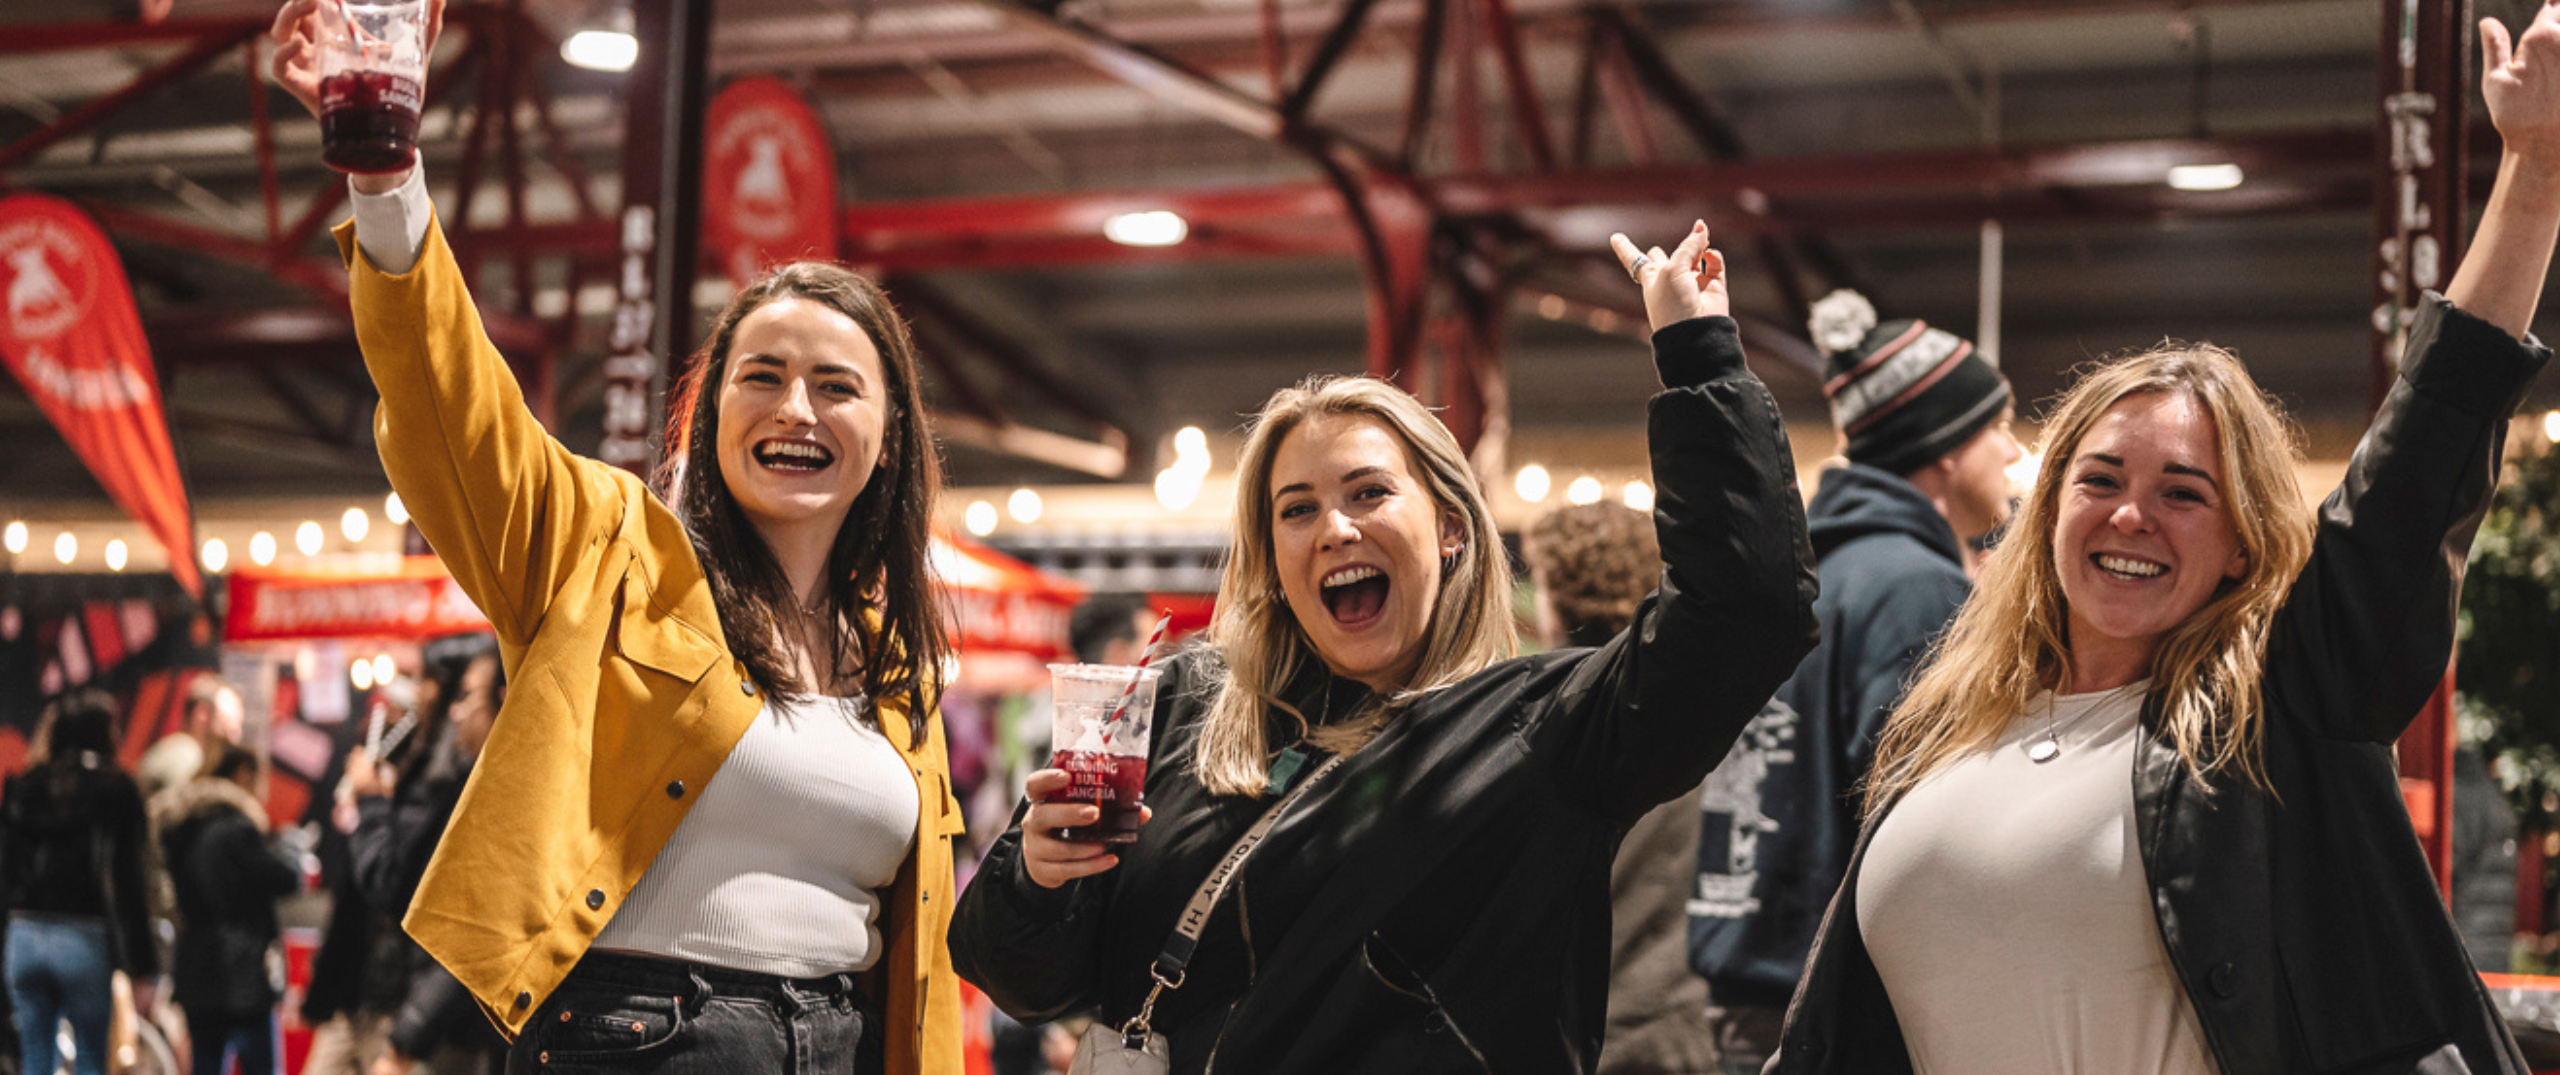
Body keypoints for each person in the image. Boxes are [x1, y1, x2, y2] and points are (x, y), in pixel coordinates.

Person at [1769, 10, 2560, 1073]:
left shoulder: (2277, 709)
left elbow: (2418, 468)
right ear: (2047, 507)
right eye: (2098, 479)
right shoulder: (1946, 724)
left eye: (2183, 492)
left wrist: (2535, 172)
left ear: (2241, 545)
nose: (2131, 514)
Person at [266, 3, 969, 1071]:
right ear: (712, 408)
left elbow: (917, 957)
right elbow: (453, 412)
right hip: (642, 1037)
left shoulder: (897, 660)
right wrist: (385, 180)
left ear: (891, 433)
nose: (797, 411)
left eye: (837, 387)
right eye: (762, 378)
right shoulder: (608, 550)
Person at [952, 220, 1818, 1071]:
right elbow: (1025, 982)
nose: (1333, 528)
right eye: (1296, 508)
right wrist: (1037, 876)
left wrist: (1700, 355)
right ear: (1272, 551)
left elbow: (1745, 613)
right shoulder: (1184, 705)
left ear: (1448, 528)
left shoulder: (1535, 732)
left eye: (1368, 492)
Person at [1685, 294, 2019, 1072]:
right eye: (1994, 427)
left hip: (1747, 990)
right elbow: (1925, 827)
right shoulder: (1917, 591)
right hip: (1833, 1015)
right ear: (1942, 447)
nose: (2011, 451)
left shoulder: (1810, 578)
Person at [1521, 502, 1716, 1075]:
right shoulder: (1699, 704)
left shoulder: (1562, 724)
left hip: (1603, 1037)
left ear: (1568, 598)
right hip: (1685, 1028)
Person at [346, 636, 509, 1075]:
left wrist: (373, 804)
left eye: (465, 695)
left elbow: (473, 933)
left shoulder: (472, 794)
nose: (457, 711)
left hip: (449, 1028)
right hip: (433, 1016)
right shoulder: (453, 781)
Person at [1, 689, 160, 1075]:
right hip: (82, 938)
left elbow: (5, 872)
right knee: (92, 1057)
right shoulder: (116, 789)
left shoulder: (24, 786)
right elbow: (127, 882)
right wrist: (142, 966)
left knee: (35, 1059)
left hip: (22, 937)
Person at [154, 742, 301, 1075]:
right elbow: (284, 879)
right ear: (243, 774)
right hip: (243, 975)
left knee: (205, 1066)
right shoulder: (238, 829)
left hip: (194, 968)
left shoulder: (181, 829)